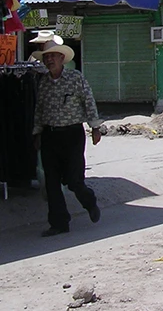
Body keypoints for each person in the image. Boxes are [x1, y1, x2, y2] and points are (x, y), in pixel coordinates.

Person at [31, 37, 103, 237]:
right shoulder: (43, 83)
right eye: (47, 57)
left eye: (53, 56)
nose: (50, 60)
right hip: (50, 136)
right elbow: (39, 110)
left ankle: (89, 201)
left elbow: (88, 101)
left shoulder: (75, 78)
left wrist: (95, 127)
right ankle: (59, 222)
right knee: (52, 182)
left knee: (74, 180)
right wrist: (37, 133)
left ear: (62, 58)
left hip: (72, 135)